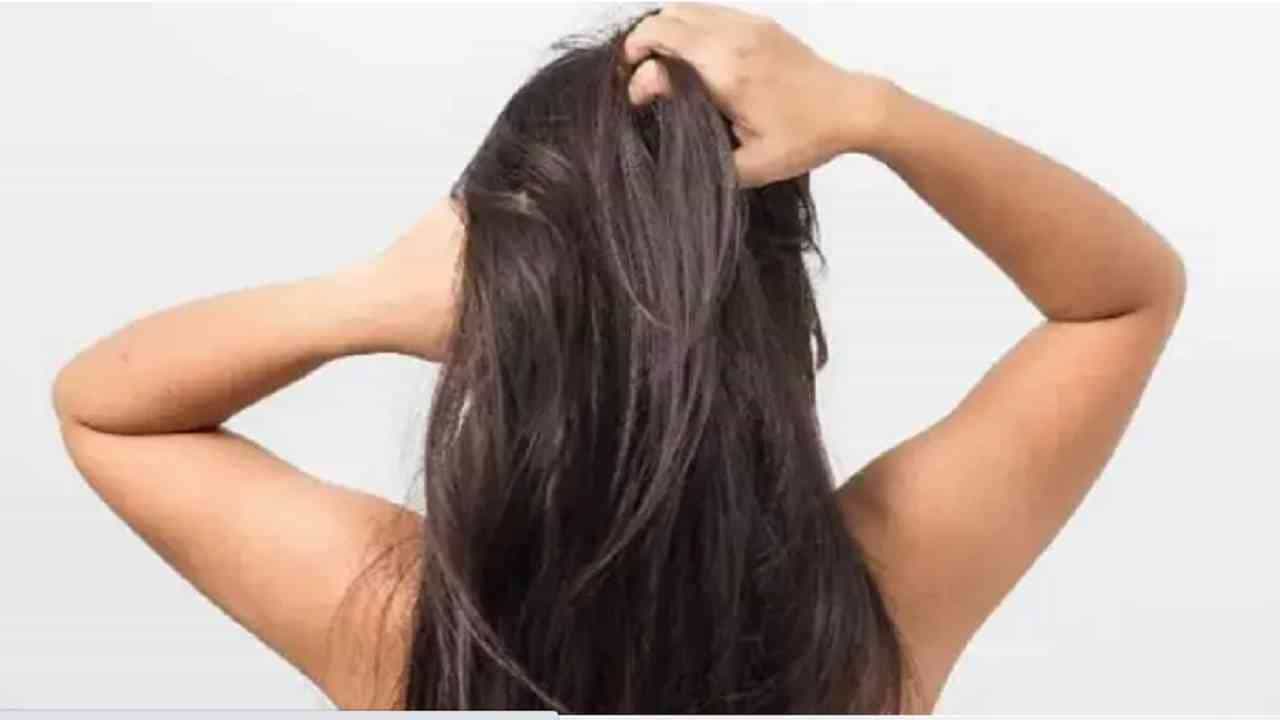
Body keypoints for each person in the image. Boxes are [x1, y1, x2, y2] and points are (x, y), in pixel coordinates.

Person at [52, 3, 1186, 713]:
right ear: (774, 300)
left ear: (496, 305)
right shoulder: (877, 609)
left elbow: (104, 408)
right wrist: (872, 113)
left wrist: (367, 298)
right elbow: (1119, 299)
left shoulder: (415, 636)